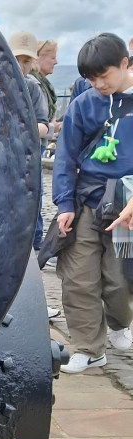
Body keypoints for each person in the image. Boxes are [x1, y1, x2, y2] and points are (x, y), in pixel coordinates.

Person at [53, 32, 133, 373]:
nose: (98, 84)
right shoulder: (84, 104)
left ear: (125, 64)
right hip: (88, 199)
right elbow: (65, 156)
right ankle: (88, 346)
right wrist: (64, 203)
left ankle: (119, 323)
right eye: (91, 79)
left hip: (127, 203)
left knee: (118, 277)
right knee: (78, 276)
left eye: (105, 76)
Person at [8, 31, 51, 253]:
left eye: (25, 61)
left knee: (31, 205)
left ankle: (33, 249)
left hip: (27, 158)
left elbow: (43, 125)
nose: (20, 65)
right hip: (4, 159)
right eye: (16, 59)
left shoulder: (33, 88)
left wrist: (19, 129)